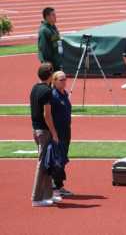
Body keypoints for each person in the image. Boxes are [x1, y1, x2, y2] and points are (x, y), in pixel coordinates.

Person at [30, 63, 62, 207]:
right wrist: (54, 133)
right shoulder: (47, 91)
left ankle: (48, 195)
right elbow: (46, 115)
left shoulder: (35, 88)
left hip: (36, 129)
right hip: (44, 131)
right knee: (42, 164)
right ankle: (36, 198)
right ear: (50, 75)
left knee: (47, 163)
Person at [51, 71, 73, 197]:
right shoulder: (53, 95)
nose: (64, 81)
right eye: (61, 79)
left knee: (63, 158)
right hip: (58, 132)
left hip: (66, 130)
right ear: (54, 81)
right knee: (58, 159)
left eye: (65, 79)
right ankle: (55, 187)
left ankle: (58, 186)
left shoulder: (64, 93)